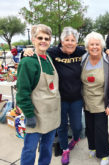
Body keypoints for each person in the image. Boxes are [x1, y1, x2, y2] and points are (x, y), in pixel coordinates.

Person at [23, 27, 86, 165]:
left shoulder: (81, 52)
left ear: (76, 42)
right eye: (66, 40)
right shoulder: (53, 52)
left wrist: (107, 50)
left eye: (73, 40)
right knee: (62, 127)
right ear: (61, 42)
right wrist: (26, 51)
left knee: (77, 127)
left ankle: (75, 139)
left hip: (76, 99)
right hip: (59, 100)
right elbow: (38, 53)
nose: (70, 43)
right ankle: (64, 149)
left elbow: (96, 49)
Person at [16, 24, 61, 165]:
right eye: (40, 38)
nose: (43, 41)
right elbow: (22, 93)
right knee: (30, 149)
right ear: (33, 39)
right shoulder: (28, 62)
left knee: (47, 148)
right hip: (36, 115)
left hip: (52, 115)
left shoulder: (49, 58)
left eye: (47, 38)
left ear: (50, 41)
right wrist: (29, 115)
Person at [81, 31, 109, 165]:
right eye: (91, 44)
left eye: (97, 44)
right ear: (87, 47)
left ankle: (103, 155)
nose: (94, 47)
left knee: (101, 129)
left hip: (101, 102)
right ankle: (92, 147)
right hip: (87, 101)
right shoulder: (83, 59)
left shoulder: (108, 61)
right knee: (89, 128)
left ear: (102, 45)